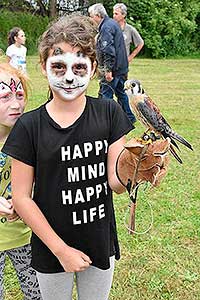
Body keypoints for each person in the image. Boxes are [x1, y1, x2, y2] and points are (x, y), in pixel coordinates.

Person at [0, 63, 42, 299]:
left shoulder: (30, 136)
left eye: (20, 95)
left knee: (37, 292)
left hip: (25, 236)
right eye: (5, 96)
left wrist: (25, 200)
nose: (16, 104)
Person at [88, 3, 136, 124]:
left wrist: (108, 70)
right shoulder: (111, 23)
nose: (90, 19)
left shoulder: (106, 27)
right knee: (121, 93)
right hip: (121, 67)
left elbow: (108, 51)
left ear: (98, 15)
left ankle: (106, 119)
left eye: (91, 16)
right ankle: (129, 117)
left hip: (114, 68)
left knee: (106, 94)